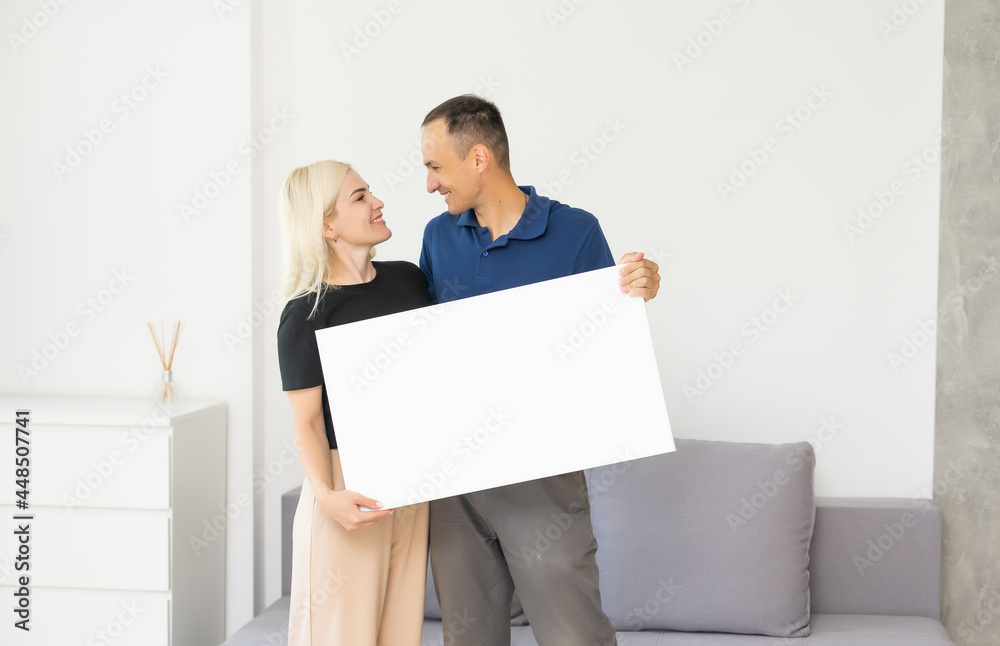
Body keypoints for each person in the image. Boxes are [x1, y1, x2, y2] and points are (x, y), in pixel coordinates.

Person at [419, 94, 660, 646]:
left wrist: (638, 291)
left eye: (436, 167)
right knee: (467, 638)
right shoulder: (438, 236)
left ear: (479, 158)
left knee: (573, 635)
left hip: (540, 476)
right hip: (455, 481)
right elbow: (427, 350)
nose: (430, 184)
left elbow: (607, 342)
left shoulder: (575, 232)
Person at [276, 160, 433, 646]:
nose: (378, 202)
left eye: (370, 192)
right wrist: (328, 497)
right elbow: (307, 423)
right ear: (327, 224)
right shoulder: (306, 313)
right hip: (347, 491)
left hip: (412, 486)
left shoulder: (410, 281)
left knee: (400, 636)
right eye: (360, 197)